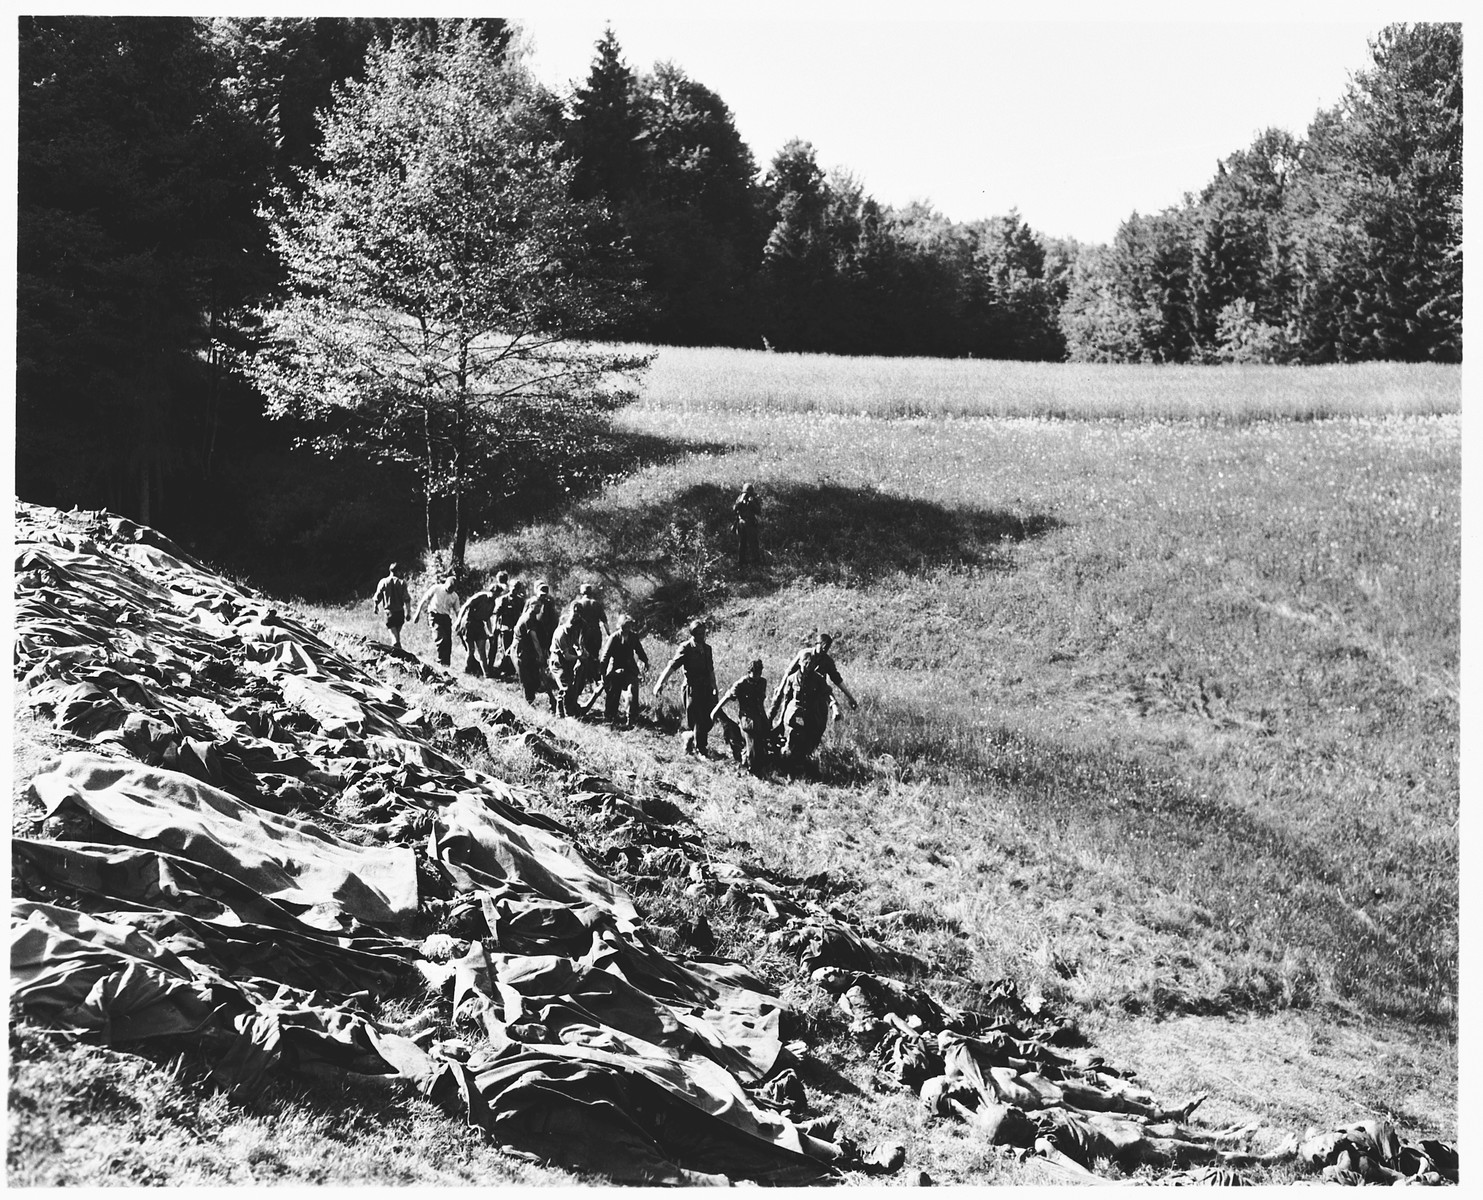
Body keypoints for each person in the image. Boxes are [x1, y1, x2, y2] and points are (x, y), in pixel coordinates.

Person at [769, 632, 858, 762]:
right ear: (817, 644)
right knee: (782, 715)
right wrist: (780, 689)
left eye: (827, 648)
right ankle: (775, 738)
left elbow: (836, 679)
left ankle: (805, 753)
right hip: (797, 691)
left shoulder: (827, 661)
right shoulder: (804, 654)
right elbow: (789, 672)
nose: (824, 651)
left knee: (817, 725)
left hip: (817, 695)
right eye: (823, 647)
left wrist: (850, 697)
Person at [654, 620, 719, 756]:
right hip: (692, 689)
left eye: (703, 633)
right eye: (699, 634)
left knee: (707, 720)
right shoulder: (686, 648)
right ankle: (701, 749)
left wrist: (714, 686)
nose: (702, 636)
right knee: (697, 720)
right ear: (693, 634)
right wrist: (660, 683)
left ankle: (688, 737)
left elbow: (710, 670)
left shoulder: (707, 649)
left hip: (705, 688)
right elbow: (672, 666)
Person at [712, 658, 772, 775]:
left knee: (765, 741)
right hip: (747, 718)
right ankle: (751, 767)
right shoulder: (741, 683)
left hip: (759, 716)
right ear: (749, 672)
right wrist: (715, 711)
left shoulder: (762, 682)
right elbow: (727, 696)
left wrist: (765, 720)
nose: (757, 676)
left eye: (759, 673)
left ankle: (759, 760)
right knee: (752, 743)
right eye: (754, 673)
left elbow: (760, 703)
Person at [512, 589, 558, 711]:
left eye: (540, 606)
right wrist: (541, 655)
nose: (538, 608)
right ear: (530, 606)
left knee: (534, 678)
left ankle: (537, 702)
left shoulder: (535, 619)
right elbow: (534, 639)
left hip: (529, 652)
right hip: (522, 652)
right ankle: (529, 707)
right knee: (526, 679)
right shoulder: (527, 619)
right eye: (536, 606)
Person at [600, 615, 649, 725]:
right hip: (615, 668)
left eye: (628, 626)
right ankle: (610, 716)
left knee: (633, 689)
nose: (626, 629)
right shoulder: (614, 637)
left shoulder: (633, 637)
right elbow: (605, 656)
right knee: (613, 691)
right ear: (619, 626)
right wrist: (603, 673)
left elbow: (639, 650)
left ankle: (632, 717)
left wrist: (645, 661)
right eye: (624, 627)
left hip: (629, 668)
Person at [548, 605, 592, 718]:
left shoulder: (573, 631)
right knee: (566, 687)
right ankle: (562, 713)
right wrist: (579, 658)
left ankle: (568, 710)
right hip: (557, 661)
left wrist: (581, 652)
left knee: (572, 686)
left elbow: (576, 644)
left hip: (567, 661)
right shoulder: (561, 634)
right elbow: (566, 655)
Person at [412, 573, 461, 667]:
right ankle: (440, 661)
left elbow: (457, 611)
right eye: (449, 588)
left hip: (446, 618)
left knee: (448, 642)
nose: (449, 590)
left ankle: (446, 665)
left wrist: (459, 623)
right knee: (440, 638)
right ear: (445, 584)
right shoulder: (436, 588)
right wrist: (417, 614)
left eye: (452, 589)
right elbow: (424, 600)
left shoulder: (455, 596)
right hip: (434, 616)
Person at [455, 585, 498, 676]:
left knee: (482, 651)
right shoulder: (480, 596)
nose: (495, 596)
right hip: (469, 623)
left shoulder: (493, 603)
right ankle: (467, 670)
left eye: (497, 595)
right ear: (491, 591)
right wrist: (458, 621)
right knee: (471, 650)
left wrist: (490, 633)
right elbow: (465, 606)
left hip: (479, 625)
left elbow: (487, 619)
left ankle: (486, 674)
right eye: (495, 594)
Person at [490, 580, 526, 678]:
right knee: (505, 650)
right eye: (514, 587)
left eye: (517, 588)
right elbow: (497, 614)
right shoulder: (503, 599)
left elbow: (523, 614)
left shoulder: (520, 601)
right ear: (510, 587)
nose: (514, 589)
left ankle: (512, 669)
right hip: (505, 629)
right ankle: (504, 669)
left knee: (514, 650)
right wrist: (495, 627)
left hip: (515, 629)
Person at [372, 562, 411, 652]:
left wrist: (375, 606)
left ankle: (396, 651)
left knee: (394, 636)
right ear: (398, 571)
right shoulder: (402, 583)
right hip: (400, 613)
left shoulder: (383, 582)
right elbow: (407, 599)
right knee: (396, 635)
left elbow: (377, 596)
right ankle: (397, 651)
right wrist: (408, 612)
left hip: (389, 614)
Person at [733, 483, 761, 568]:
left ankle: (756, 563)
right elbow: (734, 509)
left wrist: (752, 503)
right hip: (742, 523)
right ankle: (741, 563)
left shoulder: (754, 500)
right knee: (742, 544)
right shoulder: (739, 499)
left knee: (753, 544)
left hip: (751, 523)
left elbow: (758, 511)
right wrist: (740, 502)